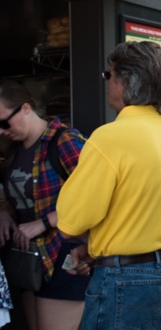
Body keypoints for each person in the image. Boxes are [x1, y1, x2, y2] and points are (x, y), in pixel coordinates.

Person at [56, 41, 161, 329]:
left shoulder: (109, 138)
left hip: (128, 280)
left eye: (109, 75)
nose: (108, 82)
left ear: (124, 82)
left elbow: (70, 222)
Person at [0, 79, 89, 330]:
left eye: (4, 122)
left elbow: (93, 197)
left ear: (26, 108)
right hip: (28, 260)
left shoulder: (65, 141)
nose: (1, 130)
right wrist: (6, 213)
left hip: (62, 253)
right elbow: (19, 195)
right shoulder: (15, 149)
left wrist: (43, 223)